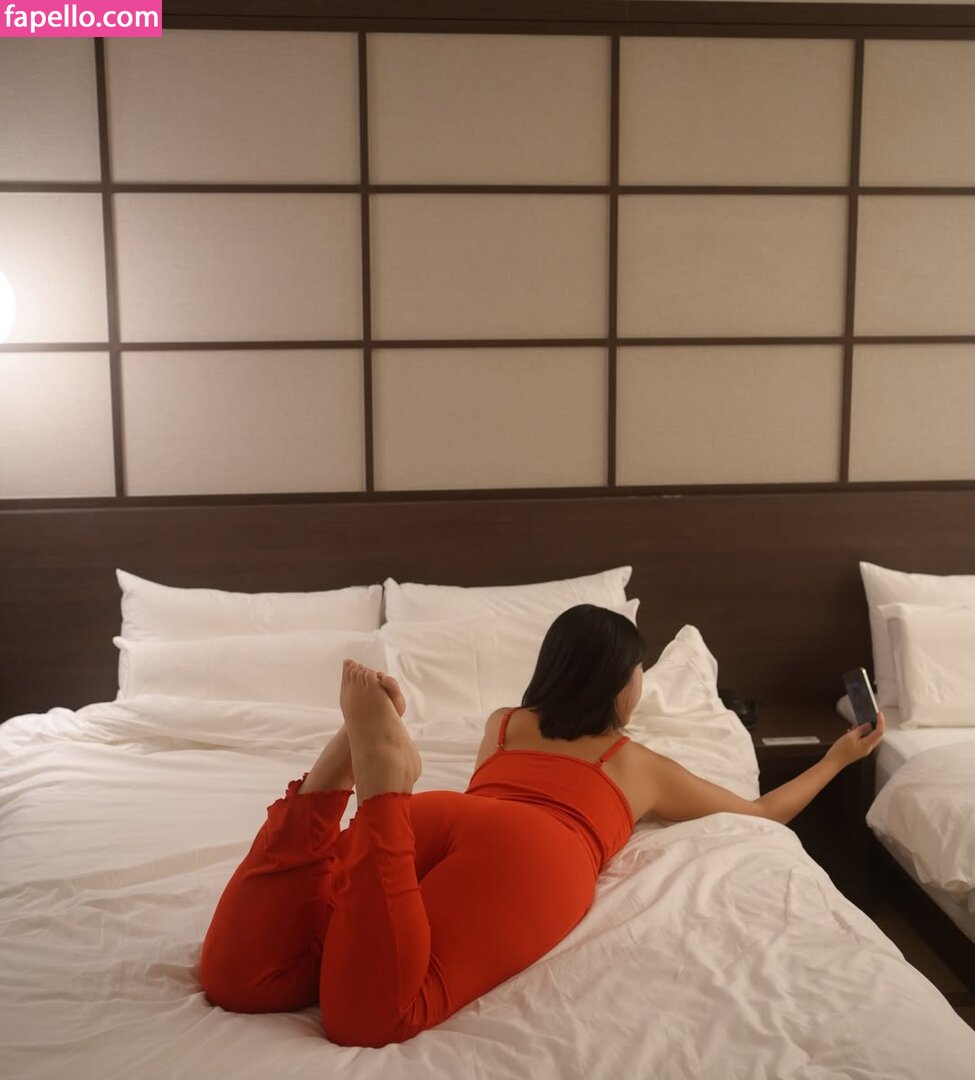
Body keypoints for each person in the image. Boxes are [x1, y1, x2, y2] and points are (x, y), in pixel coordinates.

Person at [200, 604, 884, 1048]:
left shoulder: (503, 723)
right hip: (536, 850)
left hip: (438, 813)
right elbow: (761, 813)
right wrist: (835, 759)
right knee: (372, 1015)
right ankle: (379, 790)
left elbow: (483, 808)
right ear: (622, 684)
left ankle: (340, 774)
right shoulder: (635, 763)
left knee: (243, 979)